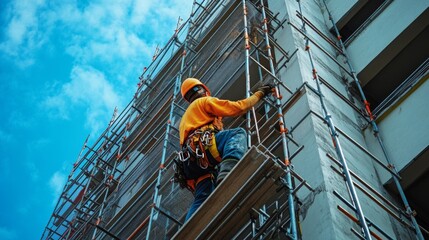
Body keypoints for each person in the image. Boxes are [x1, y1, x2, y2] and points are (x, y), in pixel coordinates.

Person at [177, 77, 273, 221]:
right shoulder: (203, 102)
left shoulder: (187, 118)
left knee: (202, 198)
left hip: (193, 164)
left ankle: (187, 230)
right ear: (201, 90)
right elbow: (238, 107)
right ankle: (228, 172)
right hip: (204, 149)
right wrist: (260, 93)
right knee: (237, 134)